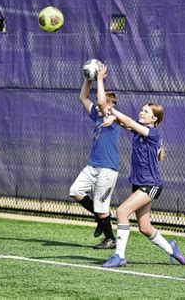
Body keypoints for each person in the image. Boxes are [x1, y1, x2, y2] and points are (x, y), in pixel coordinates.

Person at [102, 102, 185, 268]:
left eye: (146, 111)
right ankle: (172, 249)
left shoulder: (152, 133)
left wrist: (112, 110)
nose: (141, 112)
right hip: (139, 184)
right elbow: (126, 123)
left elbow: (128, 121)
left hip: (151, 185)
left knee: (122, 211)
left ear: (154, 118)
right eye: (141, 109)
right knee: (145, 227)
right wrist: (113, 118)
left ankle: (119, 256)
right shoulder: (139, 130)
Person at [69, 64, 119, 249]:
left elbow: (101, 103)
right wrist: (88, 79)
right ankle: (100, 218)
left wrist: (99, 79)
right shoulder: (98, 117)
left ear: (111, 105)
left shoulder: (113, 117)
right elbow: (82, 97)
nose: (100, 104)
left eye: (104, 102)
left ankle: (110, 239)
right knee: (75, 191)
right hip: (92, 166)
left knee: (102, 207)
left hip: (107, 169)